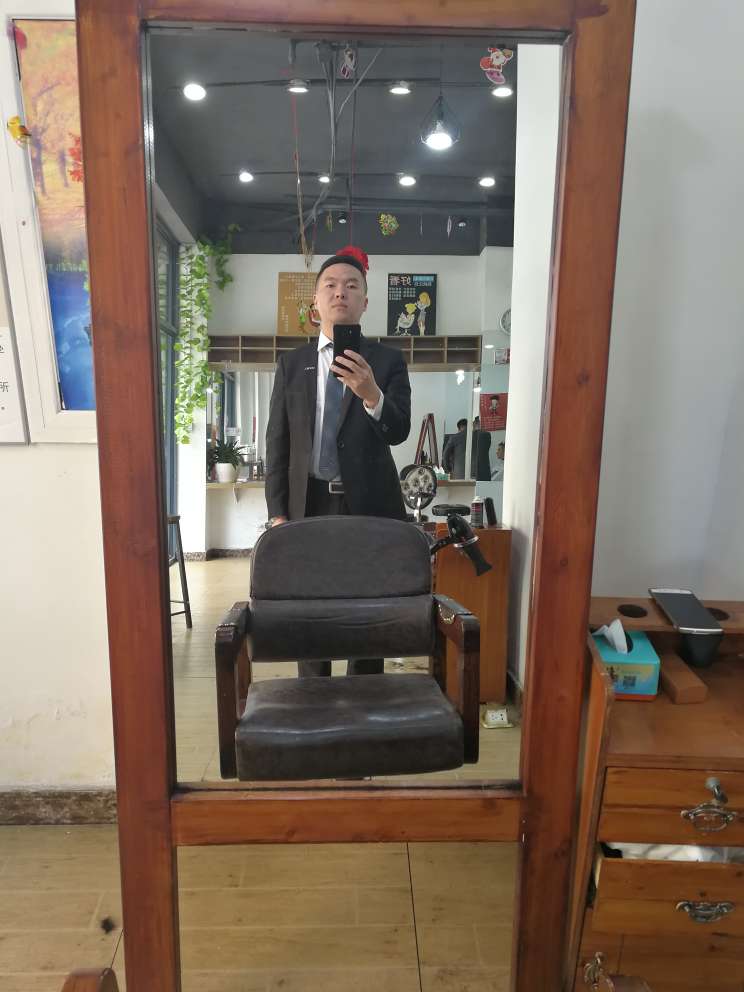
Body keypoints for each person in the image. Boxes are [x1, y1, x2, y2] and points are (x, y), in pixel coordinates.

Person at [265, 245, 412, 677]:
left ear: (365, 301)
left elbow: (399, 431)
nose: (340, 292)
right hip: (308, 504)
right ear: (315, 301)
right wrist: (277, 512)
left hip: (370, 506)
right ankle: (314, 698)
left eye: (351, 285)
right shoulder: (292, 365)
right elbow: (278, 442)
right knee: (309, 611)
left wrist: (371, 394)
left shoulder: (387, 361)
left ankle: (364, 699)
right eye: (329, 285)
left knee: (369, 613)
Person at [470, 416, 492, 481]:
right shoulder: (487, 434)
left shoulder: (469, 436)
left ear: (474, 424)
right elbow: (487, 448)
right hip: (484, 471)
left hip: (471, 471)